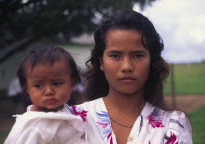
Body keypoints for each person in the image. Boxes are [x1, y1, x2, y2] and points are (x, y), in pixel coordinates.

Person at [70, 10, 193, 144]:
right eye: (115, 56)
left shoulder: (172, 125)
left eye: (137, 56)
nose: (126, 66)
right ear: (101, 62)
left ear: (151, 61)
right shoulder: (72, 120)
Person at [4, 46, 103, 144]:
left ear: (72, 84)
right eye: (38, 85)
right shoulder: (34, 127)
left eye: (56, 84)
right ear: (27, 88)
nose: (49, 91)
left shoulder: (65, 111)